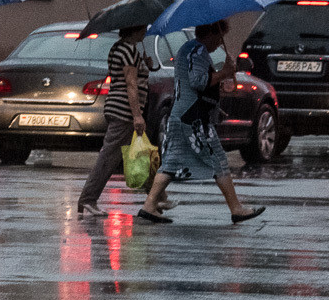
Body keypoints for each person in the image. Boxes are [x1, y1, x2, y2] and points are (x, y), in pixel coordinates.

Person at [137, 20, 265, 225]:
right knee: (219, 161)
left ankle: (150, 205)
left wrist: (221, 81)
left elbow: (195, 82)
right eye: (219, 36)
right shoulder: (197, 51)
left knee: (171, 163)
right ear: (212, 33)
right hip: (194, 119)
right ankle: (236, 209)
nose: (218, 44)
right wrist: (223, 72)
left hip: (182, 114)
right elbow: (198, 81)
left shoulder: (187, 49)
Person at [77, 25, 151, 217]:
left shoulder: (123, 48)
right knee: (109, 157)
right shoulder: (127, 50)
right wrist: (136, 115)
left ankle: (157, 197)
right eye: (142, 28)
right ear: (134, 29)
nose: (145, 32)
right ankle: (88, 199)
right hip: (124, 110)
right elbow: (130, 83)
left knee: (141, 152)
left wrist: (146, 66)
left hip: (122, 109)